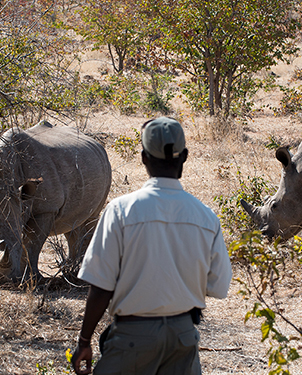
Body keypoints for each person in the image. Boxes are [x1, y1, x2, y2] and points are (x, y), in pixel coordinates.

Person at [71, 117, 233, 375]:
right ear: (186, 156)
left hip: (132, 339)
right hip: (183, 337)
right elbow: (219, 286)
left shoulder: (121, 211)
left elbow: (101, 285)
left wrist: (84, 341)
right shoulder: (206, 217)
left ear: (144, 158)